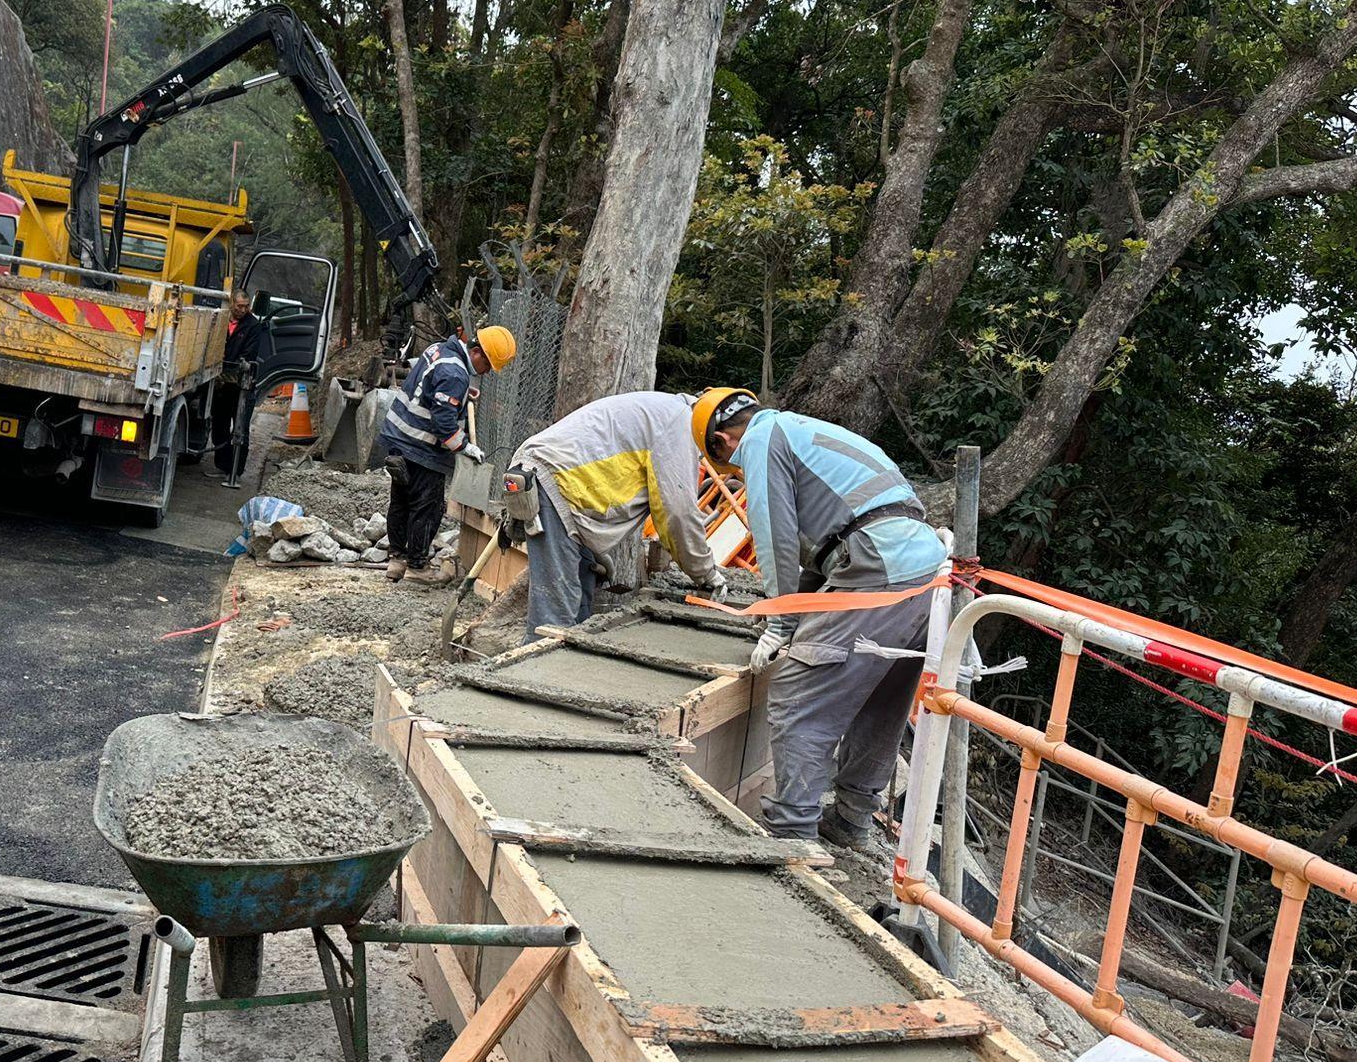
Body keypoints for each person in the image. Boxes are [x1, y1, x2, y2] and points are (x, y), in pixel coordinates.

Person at [693, 387, 946, 852]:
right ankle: (851, 821)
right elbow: (827, 548)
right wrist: (801, 607)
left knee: (798, 694)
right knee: (880, 702)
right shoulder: (806, 431)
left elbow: (775, 537)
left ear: (724, 442)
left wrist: (780, 623)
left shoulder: (762, 440)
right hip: (927, 575)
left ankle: (792, 831)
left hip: (879, 568)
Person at [509, 391, 724, 640]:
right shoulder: (680, 424)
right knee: (554, 616)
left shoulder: (666, 412)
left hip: (559, 484)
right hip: (554, 482)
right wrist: (706, 574)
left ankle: (570, 652)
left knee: (582, 585)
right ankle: (537, 660)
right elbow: (678, 515)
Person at [379, 325, 517, 584]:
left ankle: (396, 560)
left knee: (401, 501)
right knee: (427, 507)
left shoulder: (439, 349)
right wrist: (465, 447)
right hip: (421, 447)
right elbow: (443, 423)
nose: (487, 372)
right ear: (476, 353)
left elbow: (427, 388)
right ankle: (417, 567)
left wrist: (461, 395)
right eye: (488, 365)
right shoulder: (455, 374)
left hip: (399, 436)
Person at [212, 290, 267, 487]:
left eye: (246, 306)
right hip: (221, 384)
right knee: (219, 424)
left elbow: (248, 353)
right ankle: (223, 465)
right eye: (239, 306)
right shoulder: (221, 320)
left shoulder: (253, 325)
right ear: (231, 304)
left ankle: (235, 471)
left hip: (242, 384)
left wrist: (231, 369)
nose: (243, 310)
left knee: (240, 429)